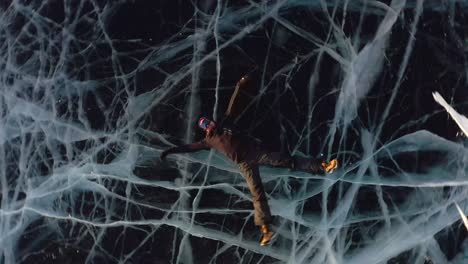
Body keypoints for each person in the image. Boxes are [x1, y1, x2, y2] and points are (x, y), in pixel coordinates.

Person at [160, 76, 338, 246]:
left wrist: (240, 85)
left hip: (256, 152)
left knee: (286, 160)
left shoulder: (225, 123)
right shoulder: (207, 142)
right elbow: (188, 148)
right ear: (205, 130)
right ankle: (266, 229)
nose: (209, 125)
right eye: (205, 125)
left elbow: (234, 103)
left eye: (208, 121)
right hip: (245, 164)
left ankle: (323, 166)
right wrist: (170, 151)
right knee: (257, 193)